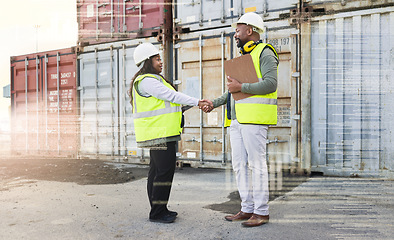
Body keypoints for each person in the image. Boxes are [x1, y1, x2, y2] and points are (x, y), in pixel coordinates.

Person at [202, 12, 279, 227]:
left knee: (257, 165)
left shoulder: (265, 53)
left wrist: (241, 87)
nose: (235, 34)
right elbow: (232, 93)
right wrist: (214, 103)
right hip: (235, 121)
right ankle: (247, 208)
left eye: (237, 30)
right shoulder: (244, 58)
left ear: (250, 30)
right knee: (239, 166)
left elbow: (271, 84)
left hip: (254, 120)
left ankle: (261, 212)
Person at [129, 42, 212, 223]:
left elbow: (169, 104)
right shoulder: (148, 81)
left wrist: (190, 105)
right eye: (157, 59)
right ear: (147, 61)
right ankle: (157, 212)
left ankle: (159, 208)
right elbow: (171, 96)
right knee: (164, 171)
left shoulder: (150, 80)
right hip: (159, 134)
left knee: (157, 170)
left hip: (158, 132)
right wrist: (198, 101)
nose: (160, 62)